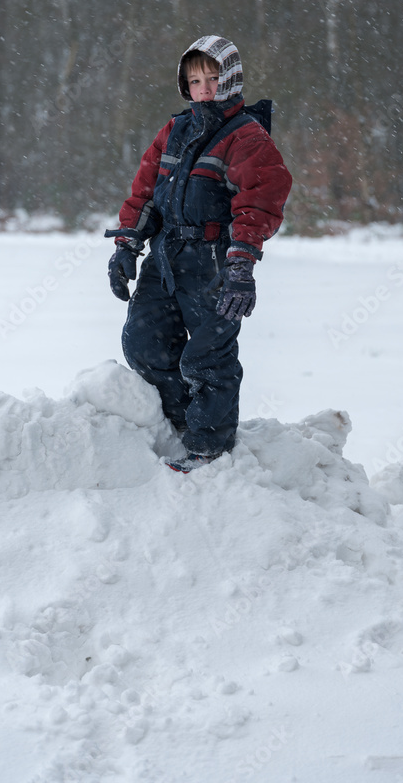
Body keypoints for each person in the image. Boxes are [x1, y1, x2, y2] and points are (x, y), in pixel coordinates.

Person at [105, 35, 292, 472]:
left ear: (231, 80)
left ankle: (209, 448)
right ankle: (180, 422)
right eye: (195, 80)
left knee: (208, 357)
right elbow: (146, 192)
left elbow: (261, 199)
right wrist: (127, 244)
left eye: (213, 78)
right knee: (143, 341)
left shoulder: (246, 137)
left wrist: (241, 264)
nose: (204, 88)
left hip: (213, 261)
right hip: (166, 256)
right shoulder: (175, 130)